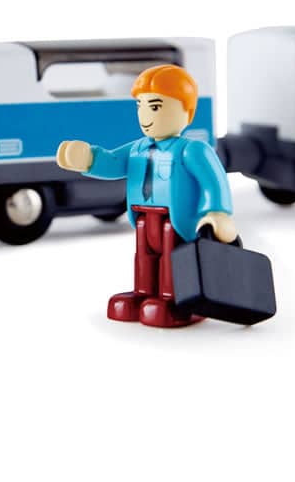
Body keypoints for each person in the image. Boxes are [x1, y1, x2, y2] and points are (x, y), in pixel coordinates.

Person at [56, 64, 235, 328]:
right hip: (143, 217)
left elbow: (213, 182)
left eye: (155, 107)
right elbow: (113, 162)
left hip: (176, 222)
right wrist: (89, 159)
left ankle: (174, 298)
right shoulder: (138, 148)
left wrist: (217, 212)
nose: (145, 115)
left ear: (186, 111)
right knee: (145, 257)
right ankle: (143, 293)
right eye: (140, 106)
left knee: (171, 259)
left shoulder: (192, 150)